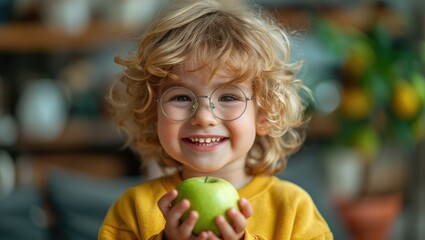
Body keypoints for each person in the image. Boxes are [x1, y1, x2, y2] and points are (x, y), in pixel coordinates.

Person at [99, 0, 332, 239]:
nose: (203, 117)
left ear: (263, 114)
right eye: (180, 97)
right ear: (152, 113)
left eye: (229, 97)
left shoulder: (293, 209)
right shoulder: (132, 210)